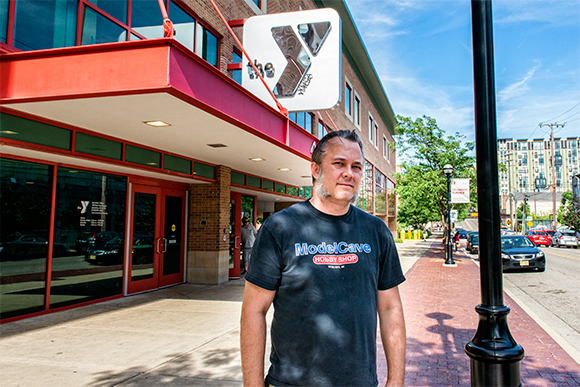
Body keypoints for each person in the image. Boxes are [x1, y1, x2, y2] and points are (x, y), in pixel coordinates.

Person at [240, 130, 406, 387]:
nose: (349, 173)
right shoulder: (280, 228)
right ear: (315, 169)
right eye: (339, 164)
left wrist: (395, 381)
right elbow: (254, 310)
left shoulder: (376, 231)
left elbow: (390, 307)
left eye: (357, 167)